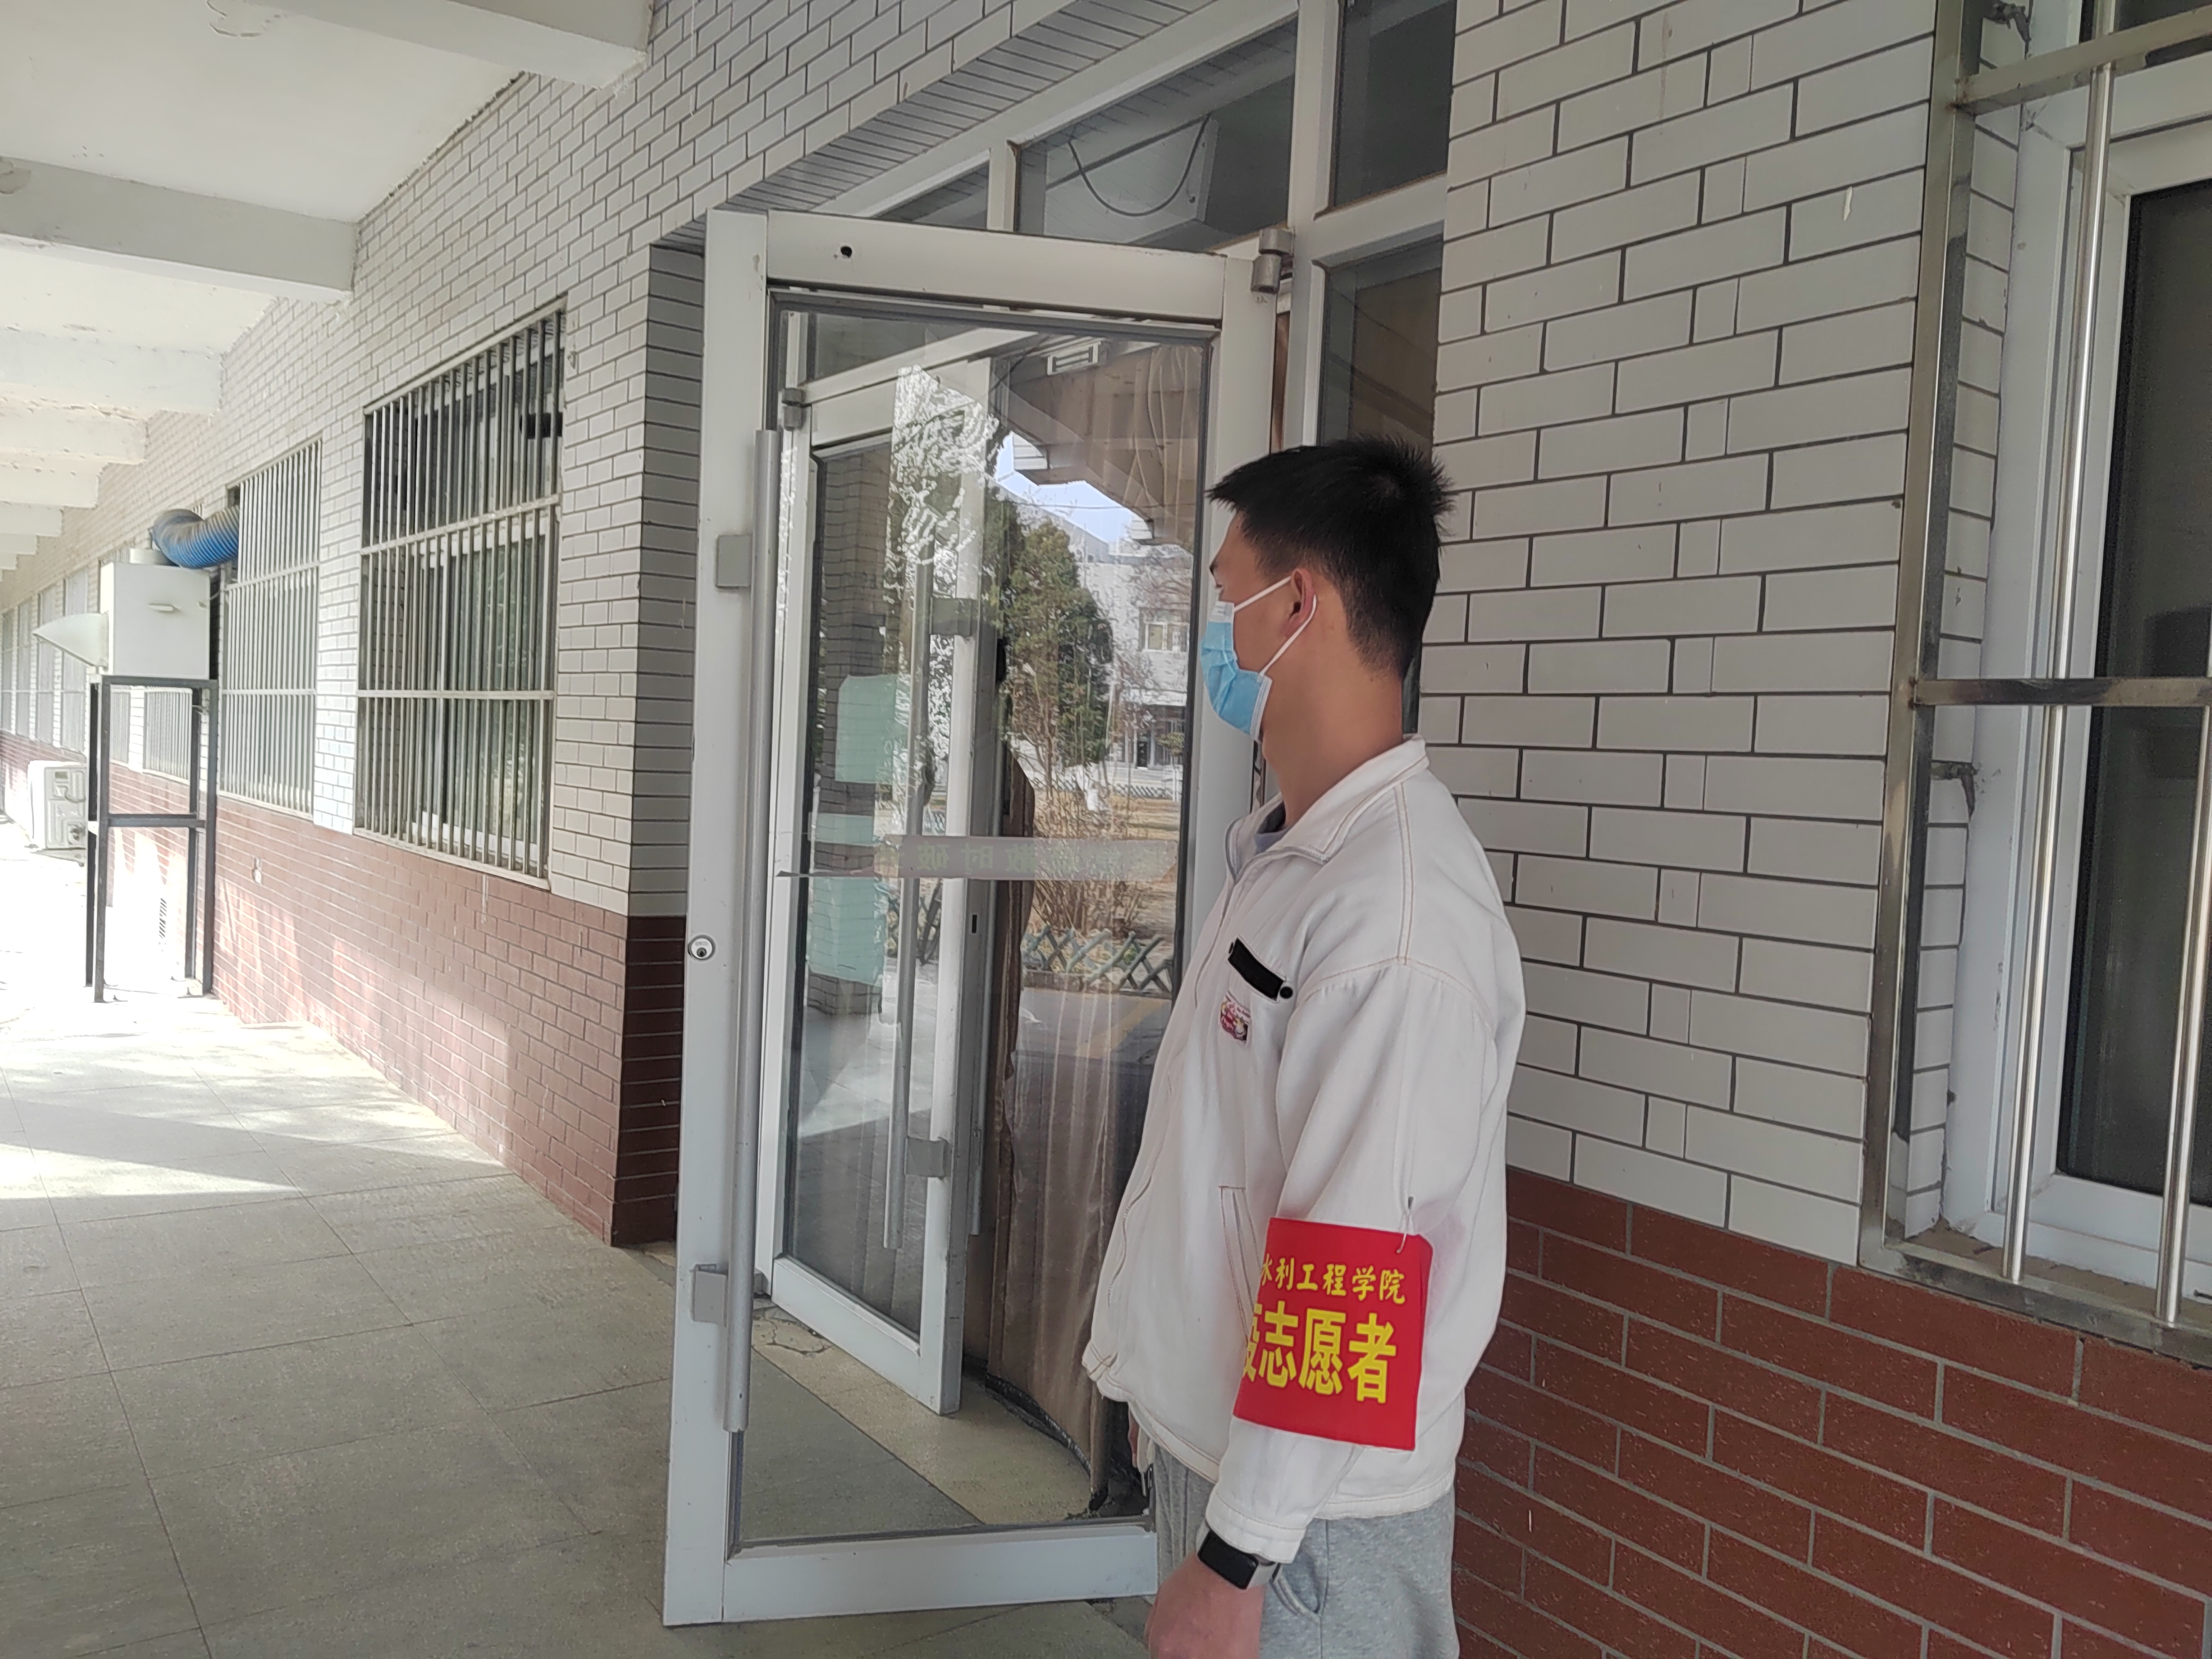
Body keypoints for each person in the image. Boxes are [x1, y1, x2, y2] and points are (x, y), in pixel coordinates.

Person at [1084, 438, 1525, 1659]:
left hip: (1304, 1536)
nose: (1212, 635)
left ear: (1297, 606)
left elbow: (1352, 1260)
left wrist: (1235, 1558)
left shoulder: (1394, 920)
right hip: (1239, 1475)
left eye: (1225, 596)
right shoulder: (1291, 855)